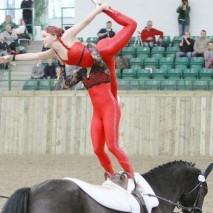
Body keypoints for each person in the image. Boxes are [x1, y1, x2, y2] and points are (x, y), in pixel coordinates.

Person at [0, 2, 137, 177]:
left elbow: (85, 22)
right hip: (97, 103)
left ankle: (132, 176)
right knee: (97, 149)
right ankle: (111, 175)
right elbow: (34, 55)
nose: (43, 39)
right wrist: (11, 57)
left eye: (44, 36)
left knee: (131, 25)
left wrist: (100, 9)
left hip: (100, 52)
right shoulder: (56, 54)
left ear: (54, 36)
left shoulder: (67, 38)